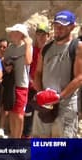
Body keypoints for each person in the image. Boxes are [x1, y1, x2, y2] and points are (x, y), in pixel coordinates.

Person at [33, 10, 82, 138]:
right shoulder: (46, 48)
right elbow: (37, 73)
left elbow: (79, 77)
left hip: (65, 106)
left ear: (72, 27)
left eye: (63, 26)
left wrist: (58, 97)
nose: (58, 29)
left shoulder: (77, 47)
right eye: (56, 26)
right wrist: (41, 94)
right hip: (44, 105)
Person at [4, 23, 33, 138]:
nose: (12, 34)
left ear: (21, 34)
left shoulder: (27, 46)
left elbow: (28, 61)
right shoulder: (10, 48)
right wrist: (7, 67)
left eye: (15, 32)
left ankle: (18, 141)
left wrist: (28, 44)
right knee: (11, 112)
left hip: (22, 85)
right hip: (11, 84)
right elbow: (5, 61)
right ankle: (13, 139)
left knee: (19, 115)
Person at [22, 23, 50, 138]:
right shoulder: (33, 51)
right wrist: (32, 81)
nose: (41, 37)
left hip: (45, 89)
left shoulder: (51, 51)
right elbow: (26, 67)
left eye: (44, 34)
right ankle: (26, 138)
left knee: (43, 115)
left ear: (48, 36)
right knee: (28, 114)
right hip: (31, 87)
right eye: (39, 34)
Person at [0, 39, 11, 138]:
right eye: (0, 46)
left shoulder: (9, 60)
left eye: (4, 47)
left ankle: (1, 127)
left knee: (4, 108)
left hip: (6, 86)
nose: (2, 49)